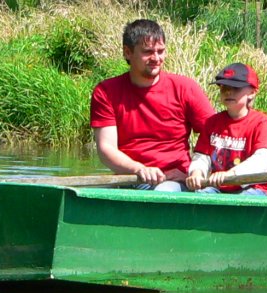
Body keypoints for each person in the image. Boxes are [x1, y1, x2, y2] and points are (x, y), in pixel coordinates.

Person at [89, 19, 214, 191]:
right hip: (130, 177)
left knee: (163, 190)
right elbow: (106, 148)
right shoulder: (106, 92)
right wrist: (139, 169)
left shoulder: (185, 88)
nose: (156, 58)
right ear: (127, 52)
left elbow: (215, 136)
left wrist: (194, 172)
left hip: (175, 182)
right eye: (148, 52)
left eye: (161, 51)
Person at [185, 62, 267, 196]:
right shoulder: (212, 123)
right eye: (224, 88)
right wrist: (196, 173)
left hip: (254, 188)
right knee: (201, 195)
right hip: (218, 187)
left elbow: (262, 161)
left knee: (243, 200)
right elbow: (202, 157)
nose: (228, 92)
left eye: (235, 88)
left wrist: (231, 174)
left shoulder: (261, 123)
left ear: (252, 93)